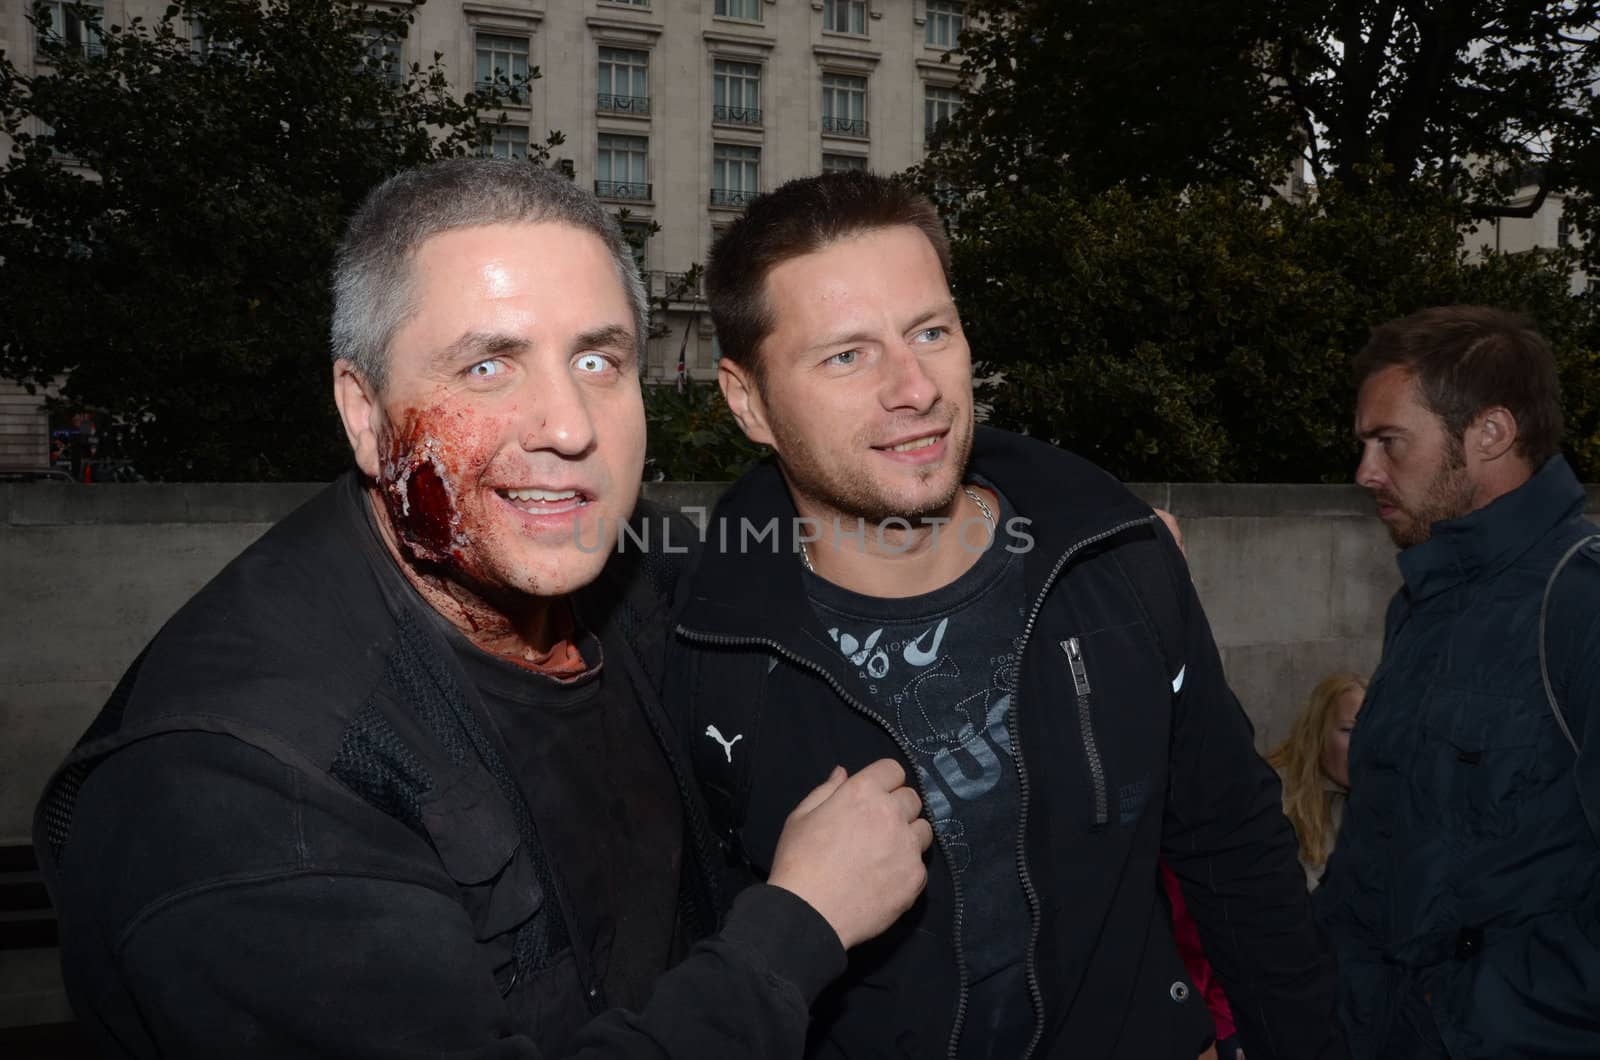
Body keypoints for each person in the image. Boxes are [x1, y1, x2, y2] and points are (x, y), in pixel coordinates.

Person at [32, 160, 933, 1058]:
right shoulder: (243, 788)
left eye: (597, 359)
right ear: (364, 411)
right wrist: (797, 927)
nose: (568, 424)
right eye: (489, 363)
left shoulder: (637, 580)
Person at [667, 171, 1344, 1059]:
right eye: (847, 355)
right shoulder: (695, 636)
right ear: (747, 400)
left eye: (931, 332)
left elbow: (1236, 850)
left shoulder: (1112, 559)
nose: (914, 387)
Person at [1319, 305, 1600, 1058]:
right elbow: (1375, 861)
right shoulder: (1419, 604)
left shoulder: (1581, 601)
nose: (1366, 472)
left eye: (1389, 443)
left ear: (1492, 433)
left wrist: (1494, 1017)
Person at [1266, 672, 1367, 890]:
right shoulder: (1276, 795)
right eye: (1348, 730)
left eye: (1369, 729)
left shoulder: (1384, 790)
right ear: (1317, 732)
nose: (1361, 743)